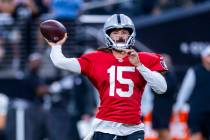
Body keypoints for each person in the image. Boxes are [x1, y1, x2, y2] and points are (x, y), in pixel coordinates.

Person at [44, 14, 168, 140]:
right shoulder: (96, 59)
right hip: (105, 127)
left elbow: (161, 88)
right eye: (115, 32)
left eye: (124, 32)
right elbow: (60, 62)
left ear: (131, 34)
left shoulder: (145, 59)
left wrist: (140, 66)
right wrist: (56, 45)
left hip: (133, 128)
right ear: (108, 35)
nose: (120, 36)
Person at [173, 46, 210, 140]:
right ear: (203, 57)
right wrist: (178, 107)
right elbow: (185, 90)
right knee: (196, 136)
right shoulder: (194, 71)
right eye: (209, 55)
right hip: (197, 112)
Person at [151, 54, 177, 140]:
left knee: (164, 130)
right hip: (156, 107)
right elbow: (153, 90)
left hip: (165, 108)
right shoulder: (156, 76)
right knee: (158, 131)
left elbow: (163, 90)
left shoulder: (171, 77)